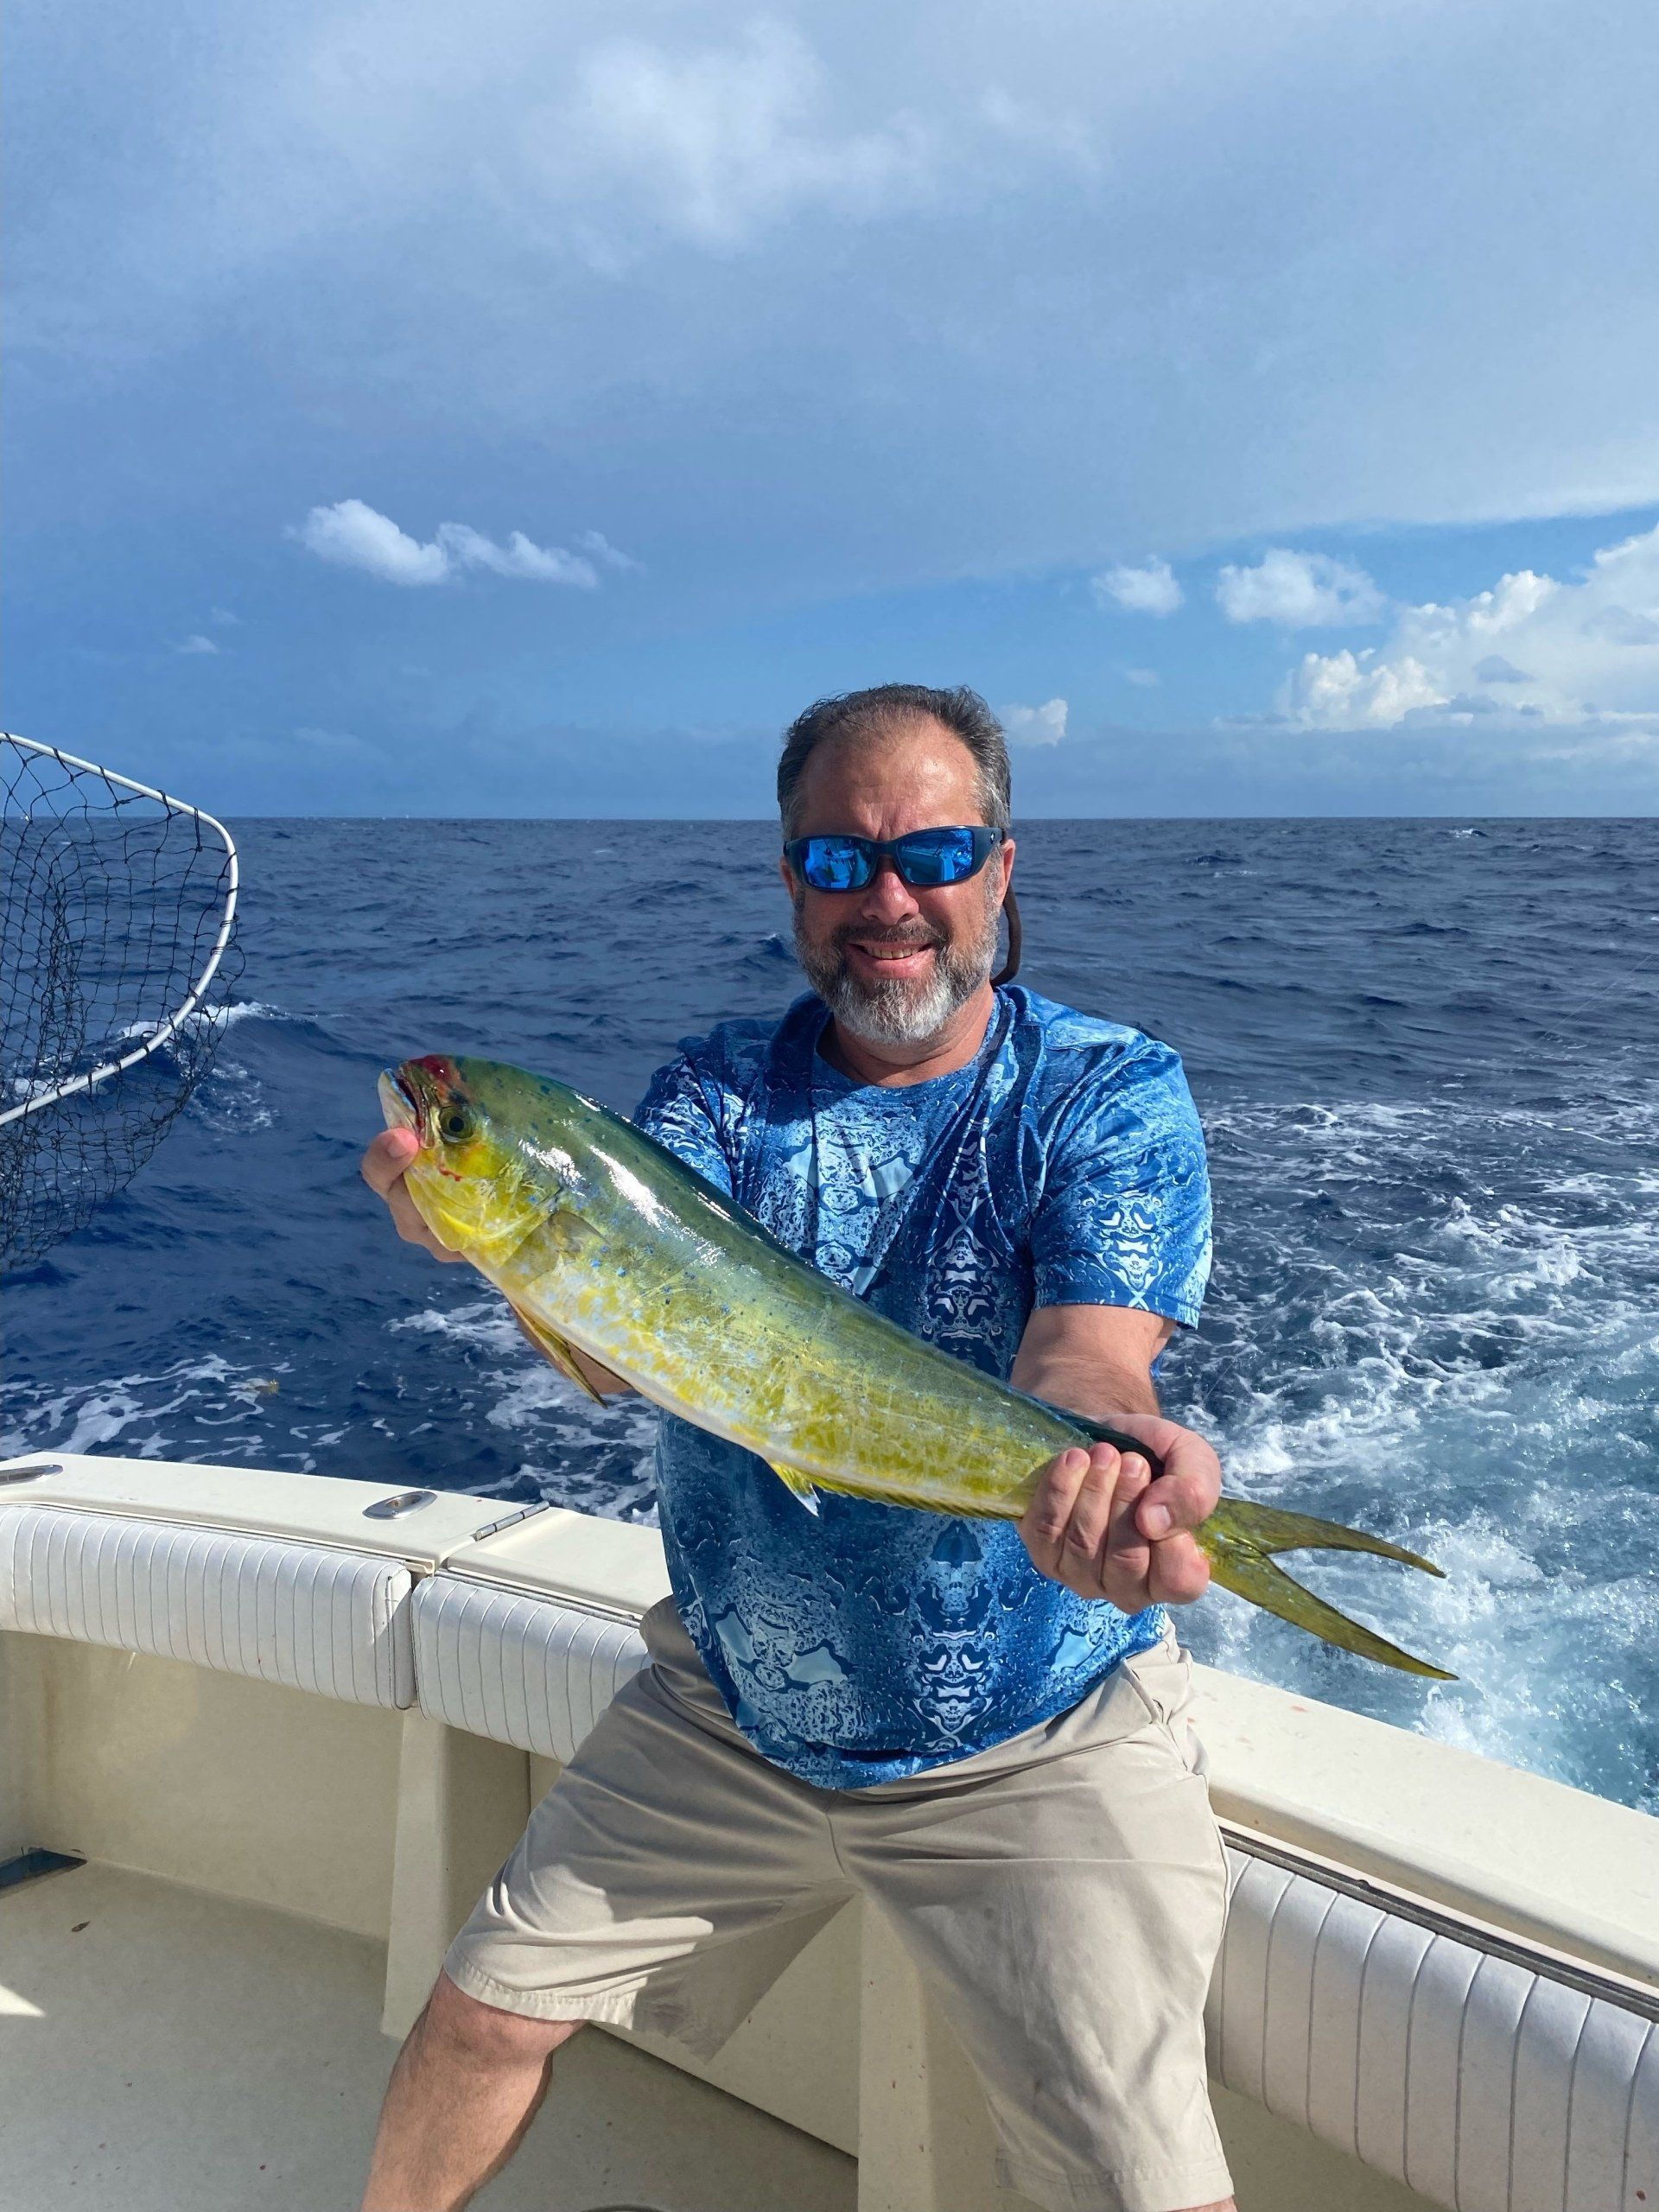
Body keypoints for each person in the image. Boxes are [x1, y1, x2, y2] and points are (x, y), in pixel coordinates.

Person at [359, 683, 1236, 2212]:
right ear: (790, 881)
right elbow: (611, 1350)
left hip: (1027, 1731)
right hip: (729, 1710)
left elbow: (1085, 1361)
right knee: (478, 2017)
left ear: (1002, 867)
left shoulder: (1106, 1090)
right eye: (840, 861)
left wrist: (1110, 1467)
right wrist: (473, 1231)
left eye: (934, 854)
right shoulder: (708, 1095)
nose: (888, 900)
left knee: (1140, 2179)